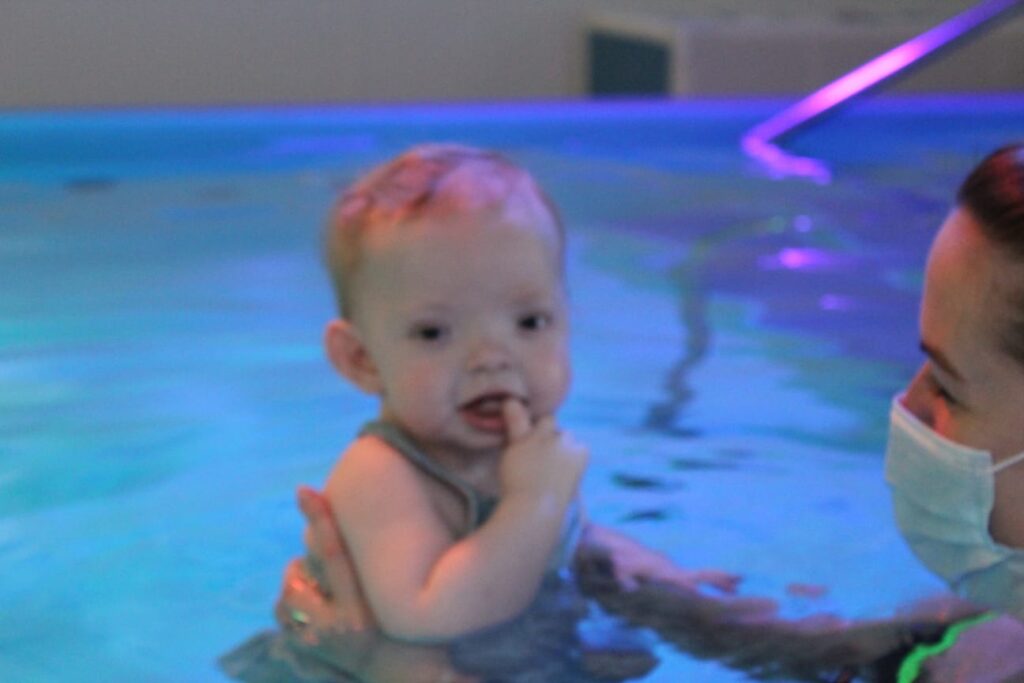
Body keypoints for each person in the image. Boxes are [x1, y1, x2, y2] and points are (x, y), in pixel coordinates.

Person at [280, 144, 738, 645]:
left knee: (735, 632)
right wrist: (533, 500)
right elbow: (429, 619)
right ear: (361, 360)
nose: (493, 358)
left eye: (529, 322)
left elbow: (563, 540)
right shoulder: (382, 474)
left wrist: (645, 566)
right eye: (434, 332)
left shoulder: (523, 449)